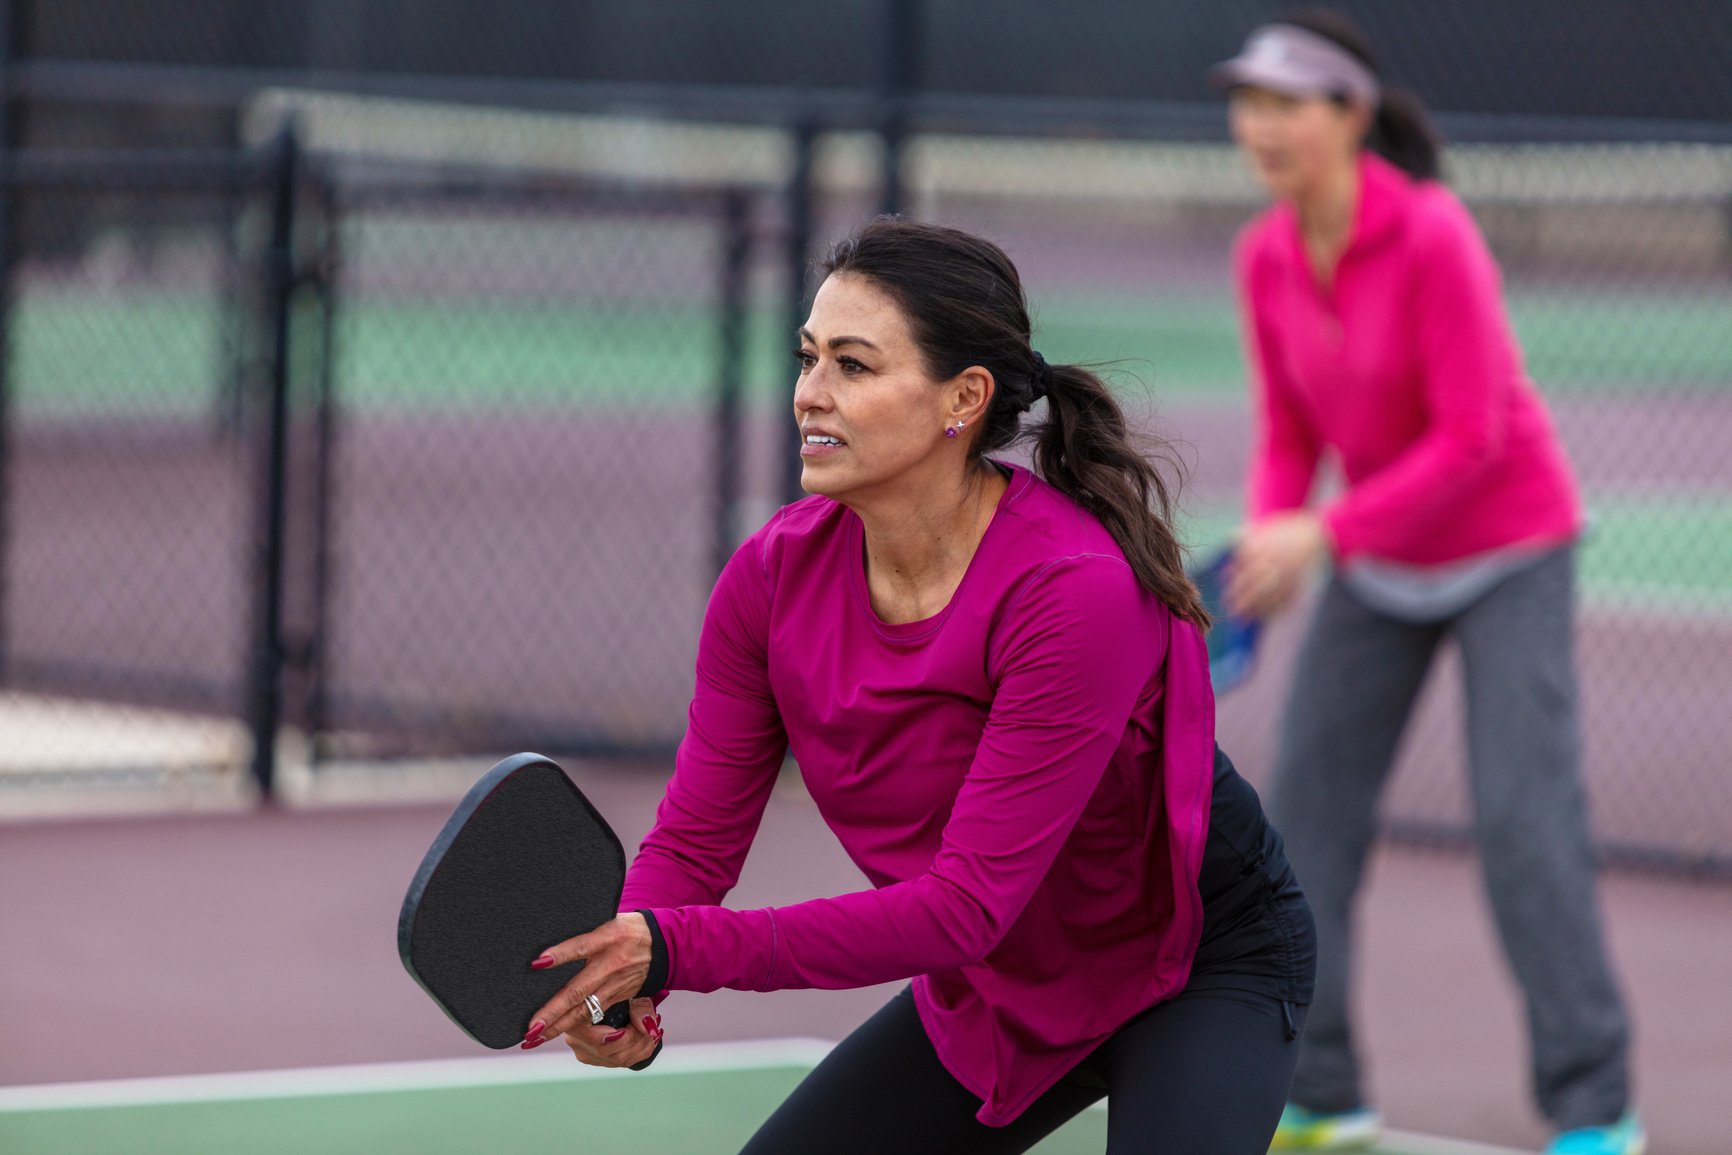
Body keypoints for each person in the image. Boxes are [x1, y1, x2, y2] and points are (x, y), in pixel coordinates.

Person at [516, 217, 1316, 1153]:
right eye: (808, 357)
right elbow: (696, 837)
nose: (811, 394)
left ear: (963, 399)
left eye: (854, 366)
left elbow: (962, 908)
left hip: (1199, 960)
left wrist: (681, 947)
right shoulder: (769, 581)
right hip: (1000, 979)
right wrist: (634, 969)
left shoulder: (1072, 593)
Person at [1210, 11, 1642, 1155]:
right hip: (1375, 557)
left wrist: (1323, 535)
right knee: (1297, 824)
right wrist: (1270, 533)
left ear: (1348, 115)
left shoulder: (1434, 234)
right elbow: (1288, 428)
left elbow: (1472, 439)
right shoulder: (1263, 253)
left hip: (1510, 548)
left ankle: (1596, 1108)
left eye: (1283, 103)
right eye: (1245, 102)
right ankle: (1325, 1088)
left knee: (1522, 824)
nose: (1258, 125)